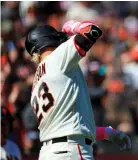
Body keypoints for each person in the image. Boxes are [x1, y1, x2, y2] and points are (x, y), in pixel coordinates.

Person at [24, 20, 131, 160]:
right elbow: (92, 30)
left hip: (48, 153)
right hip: (71, 151)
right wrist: (73, 26)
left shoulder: (36, 82)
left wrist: (106, 133)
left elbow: (69, 126)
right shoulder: (57, 58)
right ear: (50, 40)